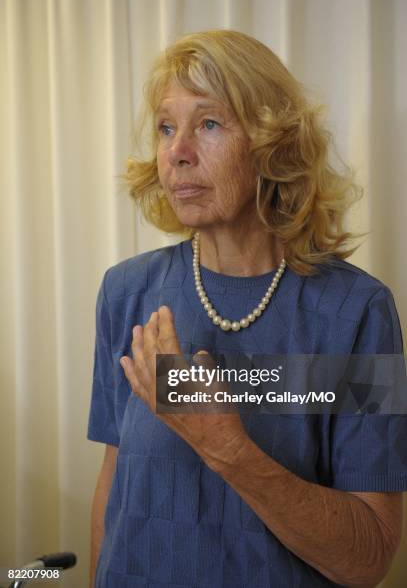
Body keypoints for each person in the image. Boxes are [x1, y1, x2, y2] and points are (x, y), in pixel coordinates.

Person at [87, 29, 407, 587]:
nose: (177, 152)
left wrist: (226, 447)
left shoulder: (357, 313)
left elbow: (368, 559)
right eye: (167, 127)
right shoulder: (127, 293)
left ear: (271, 144)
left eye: (208, 123)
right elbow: (116, 486)